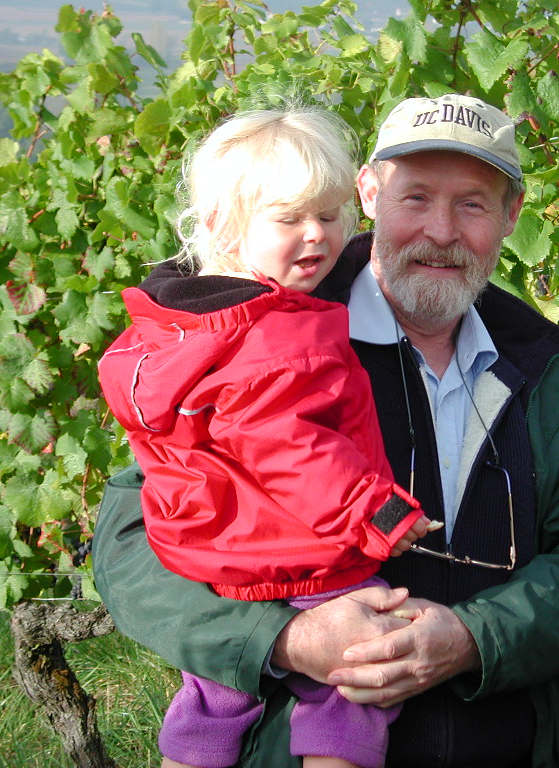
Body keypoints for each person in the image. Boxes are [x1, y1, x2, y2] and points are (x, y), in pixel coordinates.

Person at [92, 92, 559, 768]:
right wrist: (287, 640)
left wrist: (473, 639)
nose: (441, 230)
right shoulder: (262, 341)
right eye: (415, 198)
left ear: (510, 217)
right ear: (370, 192)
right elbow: (131, 542)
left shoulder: (540, 367)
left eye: (472, 203)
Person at [97, 106, 437, 768]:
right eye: (289, 220)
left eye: (331, 215)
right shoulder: (278, 334)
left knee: (212, 701)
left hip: (215, 555)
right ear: (223, 225)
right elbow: (295, 452)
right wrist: (379, 512)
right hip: (299, 554)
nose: (317, 236)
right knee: (354, 683)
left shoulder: (179, 325)